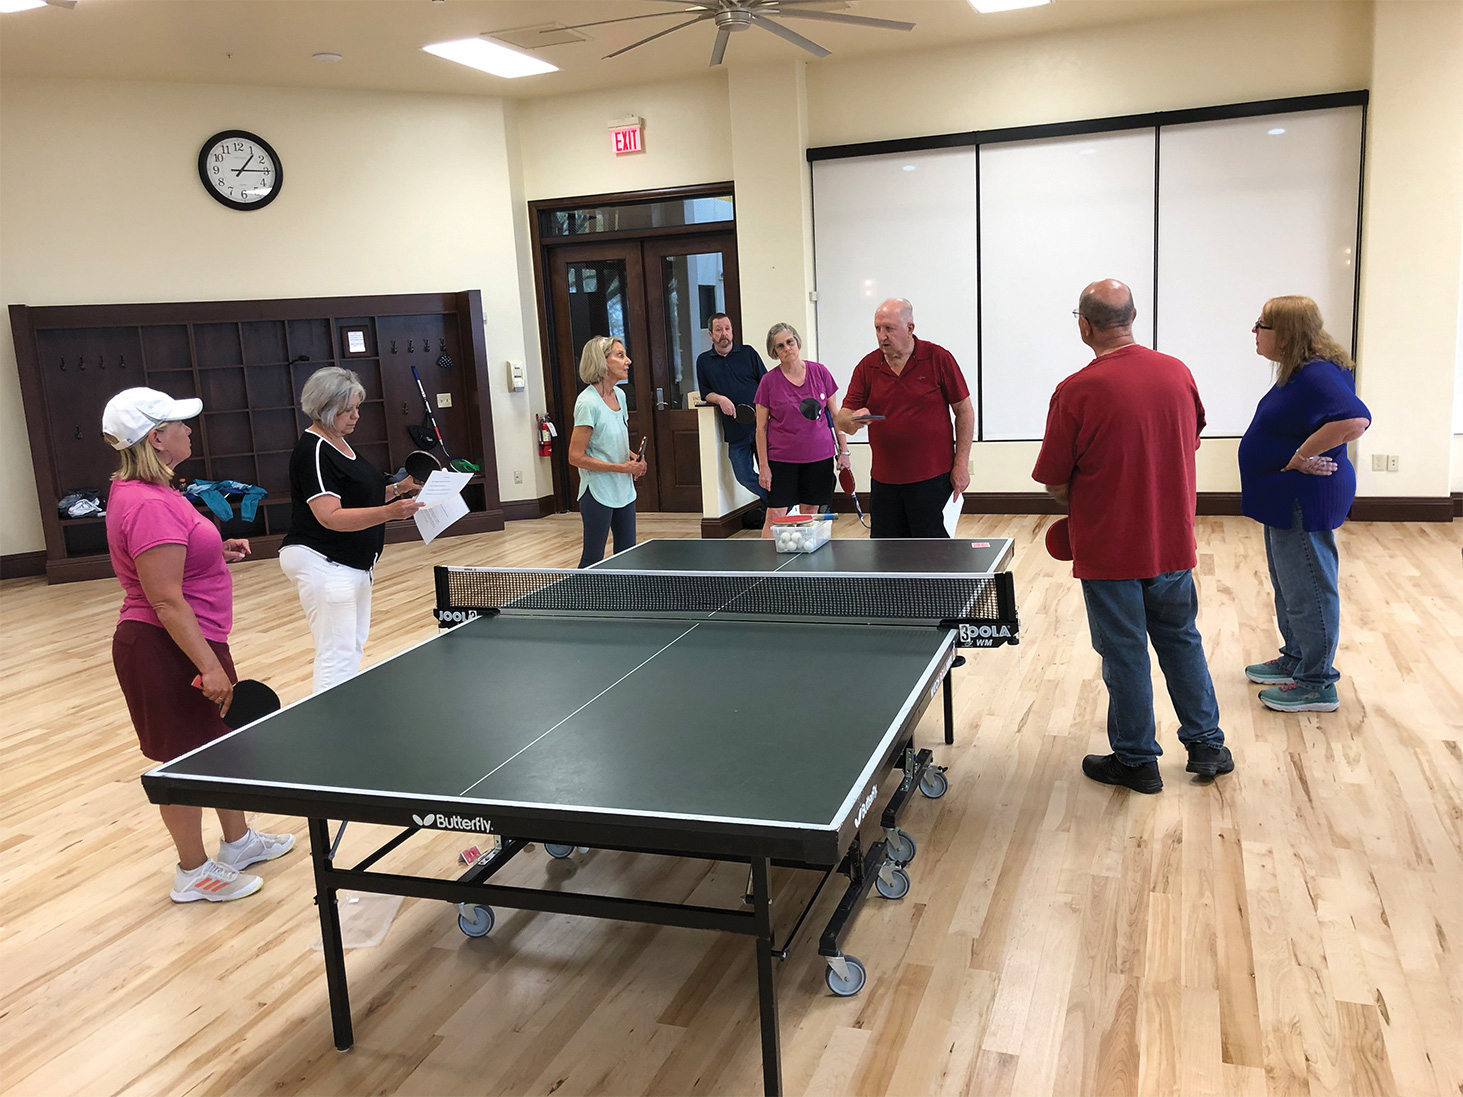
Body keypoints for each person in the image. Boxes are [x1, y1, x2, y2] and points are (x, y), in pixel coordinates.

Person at [1032, 280, 1231, 794]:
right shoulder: (1177, 373)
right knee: (1181, 639)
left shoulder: (1076, 390)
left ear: (1084, 325)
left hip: (1109, 549)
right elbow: (1191, 437)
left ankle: (1137, 759)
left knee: (1124, 651)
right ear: (1134, 315)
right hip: (1170, 542)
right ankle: (1207, 744)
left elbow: (1054, 479)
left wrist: (1081, 495)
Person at [102, 386, 295, 902]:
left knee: (221, 743)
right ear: (157, 438)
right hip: (166, 646)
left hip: (194, 637)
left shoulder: (154, 492)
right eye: (180, 425)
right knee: (183, 761)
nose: (190, 430)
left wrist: (213, 555)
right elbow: (164, 600)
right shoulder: (147, 504)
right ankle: (193, 871)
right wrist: (209, 667)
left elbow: (173, 565)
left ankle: (238, 842)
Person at [1238, 296, 1371, 713]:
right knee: (1290, 585)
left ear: (1287, 334)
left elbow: (1354, 420)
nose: (1254, 332)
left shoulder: (1316, 374)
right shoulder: (1301, 371)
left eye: (1262, 325)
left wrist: (1297, 457)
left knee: (1309, 587)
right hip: (1285, 496)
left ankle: (1317, 682)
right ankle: (1296, 657)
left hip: (1304, 496)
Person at [278, 367, 423, 694]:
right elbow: (330, 516)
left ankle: (340, 718)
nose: (356, 415)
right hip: (325, 561)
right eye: (348, 410)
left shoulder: (341, 444)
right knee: (336, 653)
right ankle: (330, 730)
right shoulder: (313, 451)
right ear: (325, 408)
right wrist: (390, 513)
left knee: (351, 646)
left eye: (358, 407)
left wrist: (399, 489)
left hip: (353, 563)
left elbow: (358, 497)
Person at [833, 298, 973, 538]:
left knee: (933, 557)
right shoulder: (867, 367)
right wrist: (854, 420)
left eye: (889, 328)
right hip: (885, 483)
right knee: (887, 557)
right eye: (878, 329)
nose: (882, 336)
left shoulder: (938, 358)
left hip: (933, 479)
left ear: (910, 328)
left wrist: (961, 464)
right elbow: (842, 420)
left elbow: (964, 411)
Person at [754, 323, 849, 536]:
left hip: (819, 457)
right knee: (774, 516)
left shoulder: (820, 372)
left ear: (797, 342)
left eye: (790, 342)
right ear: (774, 352)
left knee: (810, 515)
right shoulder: (768, 382)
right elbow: (760, 428)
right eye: (780, 346)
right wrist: (763, 466)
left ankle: (805, 564)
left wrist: (844, 451)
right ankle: (766, 569)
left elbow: (836, 416)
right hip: (782, 461)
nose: (787, 348)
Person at [570, 336, 648, 567]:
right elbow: (575, 457)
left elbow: (612, 441)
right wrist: (620, 467)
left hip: (624, 489)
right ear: (601, 362)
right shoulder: (588, 403)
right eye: (620, 355)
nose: (628, 361)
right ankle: (581, 600)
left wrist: (634, 459)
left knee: (627, 554)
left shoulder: (620, 396)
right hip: (597, 492)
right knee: (593, 557)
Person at [696, 313, 769, 513]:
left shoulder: (748, 353)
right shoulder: (703, 361)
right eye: (718, 330)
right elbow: (705, 393)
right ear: (711, 334)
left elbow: (766, 384)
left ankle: (775, 510)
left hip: (762, 427)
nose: (724, 334)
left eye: (727, 328)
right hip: (735, 431)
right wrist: (719, 399)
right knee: (743, 475)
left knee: (770, 472)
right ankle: (775, 502)